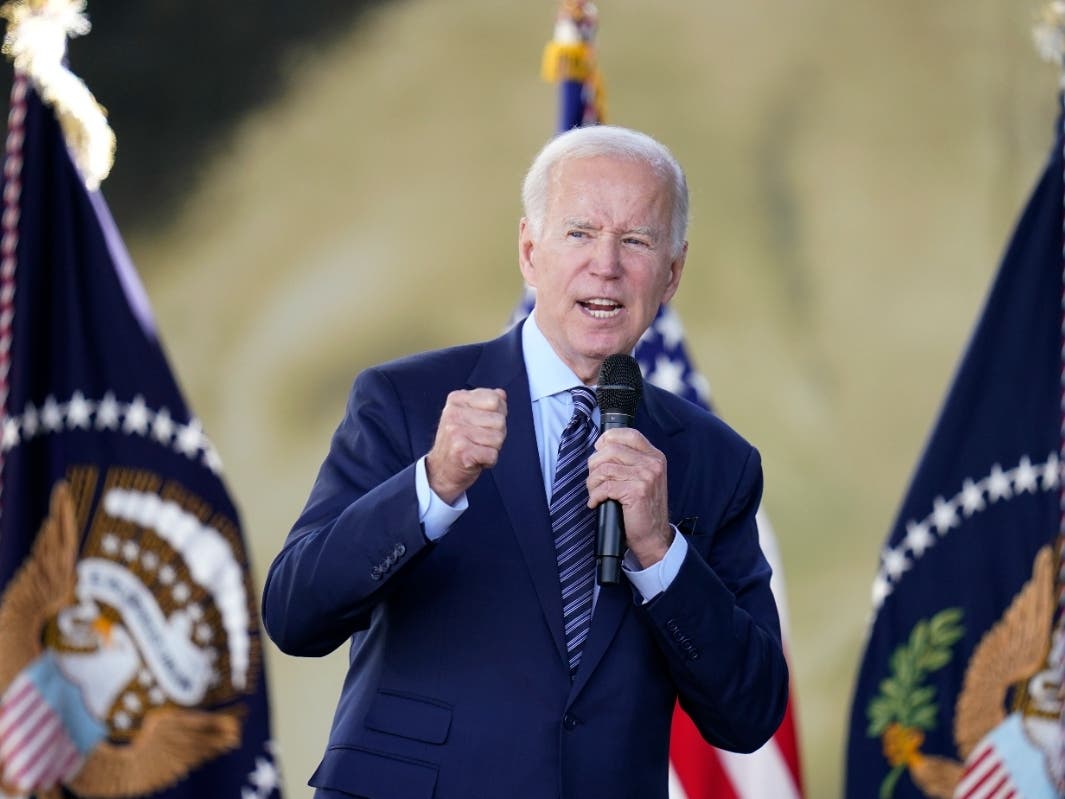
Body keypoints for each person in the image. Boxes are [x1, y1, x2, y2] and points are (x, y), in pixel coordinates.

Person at [261, 125, 789, 799]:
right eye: (579, 233)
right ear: (528, 249)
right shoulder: (405, 399)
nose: (605, 264)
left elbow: (749, 712)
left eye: (635, 240)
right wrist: (432, 485)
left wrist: (659, 551)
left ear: (672, 271)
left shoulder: (716, 462)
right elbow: (294, 615)